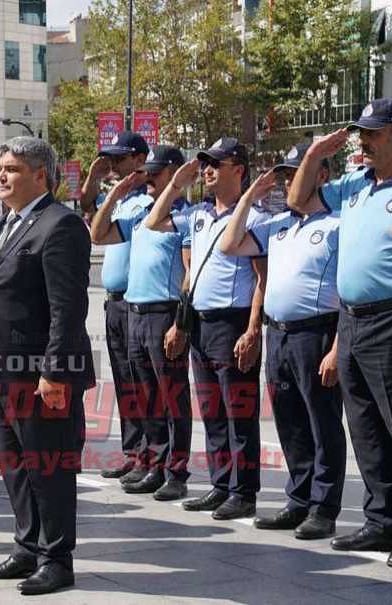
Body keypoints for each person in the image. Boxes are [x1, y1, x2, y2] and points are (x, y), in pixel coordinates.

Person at [292, 99, 392, 568]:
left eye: (373, 134)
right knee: (365, 430)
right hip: (351, 321)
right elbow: (299, 200)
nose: (364, 142)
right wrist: (314, 154)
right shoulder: (353, 187)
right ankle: (382, 521)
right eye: (362, 132)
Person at [0, 137, 92, 595]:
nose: (2, 176)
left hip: (38, 375)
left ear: (41, 175)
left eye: (13, 169)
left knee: (48, 467)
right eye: (1, 167)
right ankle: (27, 547)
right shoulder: (8, 223)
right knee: (15, 465)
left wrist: (56, 373)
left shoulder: (61, 225)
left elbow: (67, 308)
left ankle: (57, 558)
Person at [218, 144, 346, 540]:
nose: (291, 182)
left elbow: (349, 293)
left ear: (322, 177)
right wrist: (249, 199)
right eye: (287, 175)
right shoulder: (280, 225)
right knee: (290, 423)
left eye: (298, 173)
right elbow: (229, 243)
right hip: (280, 335)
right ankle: (299, 498)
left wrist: (338, 348)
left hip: (317, 333)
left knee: (322, 423)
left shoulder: (339, 224)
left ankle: (323, 508)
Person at [144, 137, 267, 520]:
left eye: (217, 163)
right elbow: (152, 221)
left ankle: (243, 491)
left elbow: (262, 278)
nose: (208, 170)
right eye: (205, 164)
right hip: (201, 322)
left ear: (239, 169)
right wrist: (176, 183)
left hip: (234, 321)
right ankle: (220, 484)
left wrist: (252, 330)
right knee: (212, 411)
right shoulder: (198, 214)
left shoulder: (255, 217)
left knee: (238, 412)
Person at [89, 145, 192, 500]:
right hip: (135, 312)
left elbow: (189, 274)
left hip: (165, 313)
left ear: (176, 174)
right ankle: (153, 461)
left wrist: (181, 322)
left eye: (157, 172)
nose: (149, 179)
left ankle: (176, 471)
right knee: (144, 395)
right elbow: (98, 234)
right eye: (146, 172)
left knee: (171, 396)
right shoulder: (141, 215)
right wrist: (116, 192)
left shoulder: (185, 217)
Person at [89, 132, 153, 482]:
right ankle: (134, 451)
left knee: (141, 382)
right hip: (113, 304)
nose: (113, 164)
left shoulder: (148, 201)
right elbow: (88, 211)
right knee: (124, 383)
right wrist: (95, 177)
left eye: (120, 158)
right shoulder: (121, 201)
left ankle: (151, 454)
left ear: (140, 160)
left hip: (137, 302)